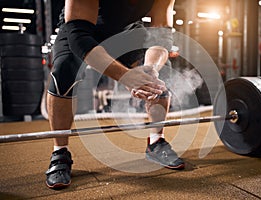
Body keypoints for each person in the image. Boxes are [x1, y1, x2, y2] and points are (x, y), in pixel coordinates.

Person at [45, 0, 184, 189]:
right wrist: (126, 77)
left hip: (126, 31)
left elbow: (161, 36)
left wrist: (150, 69)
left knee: (162, 74)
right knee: (64, 70)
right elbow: (80, 37)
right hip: (82, 29)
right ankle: (60, 152)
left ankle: (156, 141)